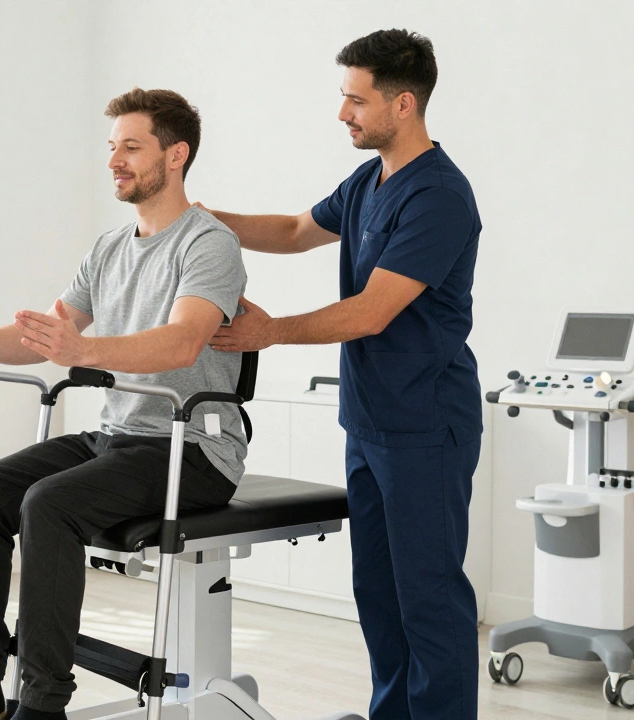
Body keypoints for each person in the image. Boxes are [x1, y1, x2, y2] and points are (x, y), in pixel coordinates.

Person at [0, 88, 247, 720]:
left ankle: (43, 703)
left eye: (132, 147)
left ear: (176, 155)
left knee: (48, 505)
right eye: (112, 148)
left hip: (191, 449)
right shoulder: (108, 249)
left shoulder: (208, 243)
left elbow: (184, 341)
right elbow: (45, 338)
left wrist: (85, 348)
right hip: (119, 439)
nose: (115, 160)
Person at [201, 30, 483, 720]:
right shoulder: (370, 179)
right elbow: (298, 230)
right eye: (343, 98)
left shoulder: (440, 195)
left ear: (404, 104)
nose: (343, 114)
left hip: (426, 425)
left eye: (356, 101)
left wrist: (272, 331)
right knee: (380, 597)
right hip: (369, 422)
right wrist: (202, 218)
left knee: (429, 597)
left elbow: (372, 312)